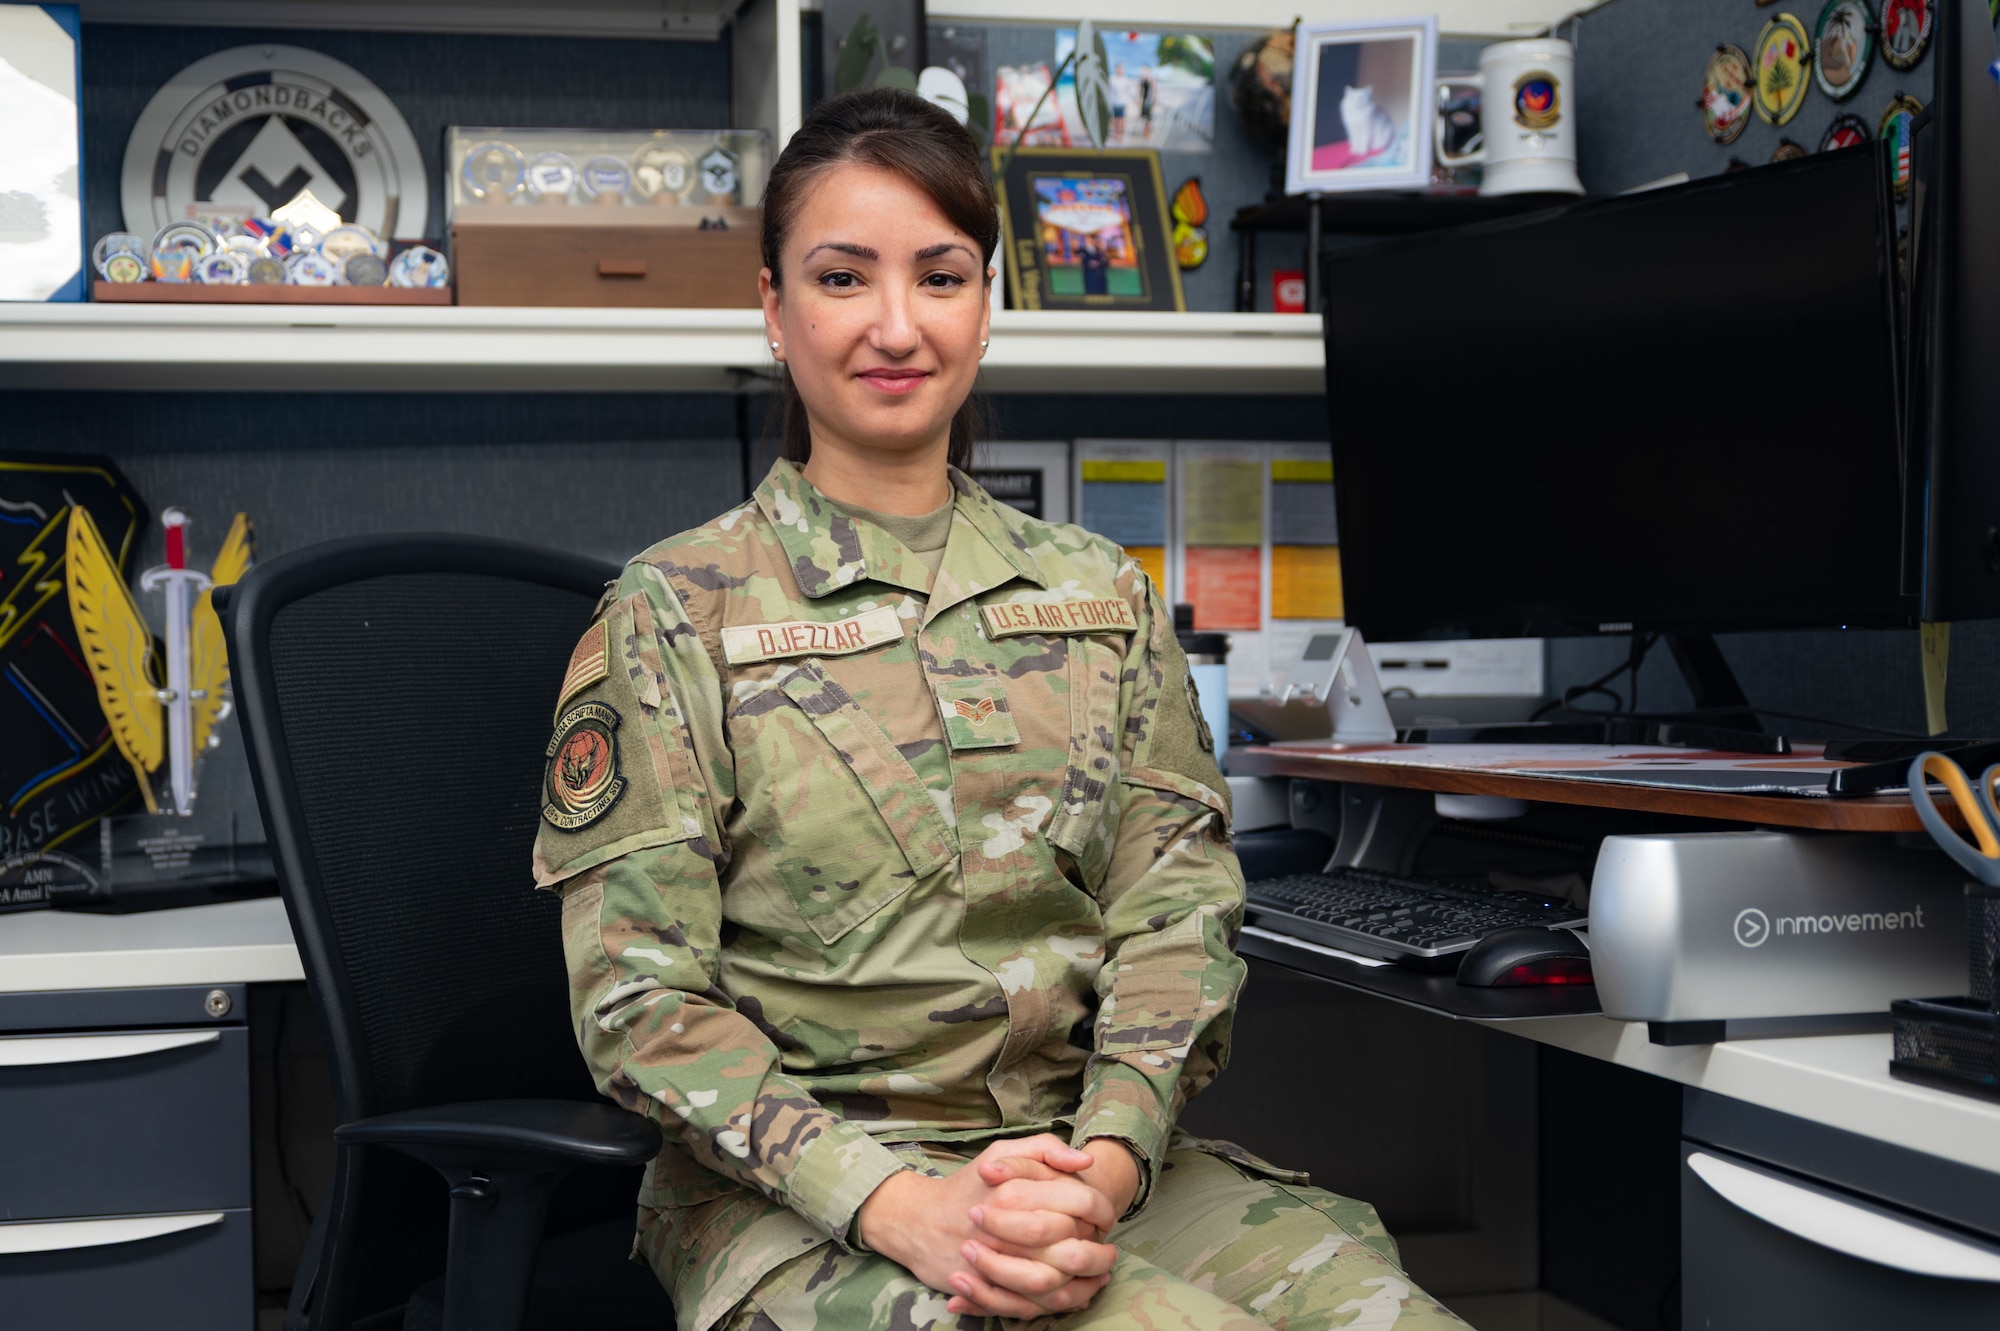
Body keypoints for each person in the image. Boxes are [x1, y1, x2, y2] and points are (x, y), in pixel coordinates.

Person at [532, 86, 1463, 1331]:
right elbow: (640, 1006)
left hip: (1081, 1165)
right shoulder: (673, 611)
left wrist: (1106, 1162)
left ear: (986, 302)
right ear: (771, 307)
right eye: (842, 277)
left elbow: (1175, 914)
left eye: (941, 273)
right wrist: (904, 1202)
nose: (896, 324)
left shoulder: (1098, 593)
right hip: (800, 1197)